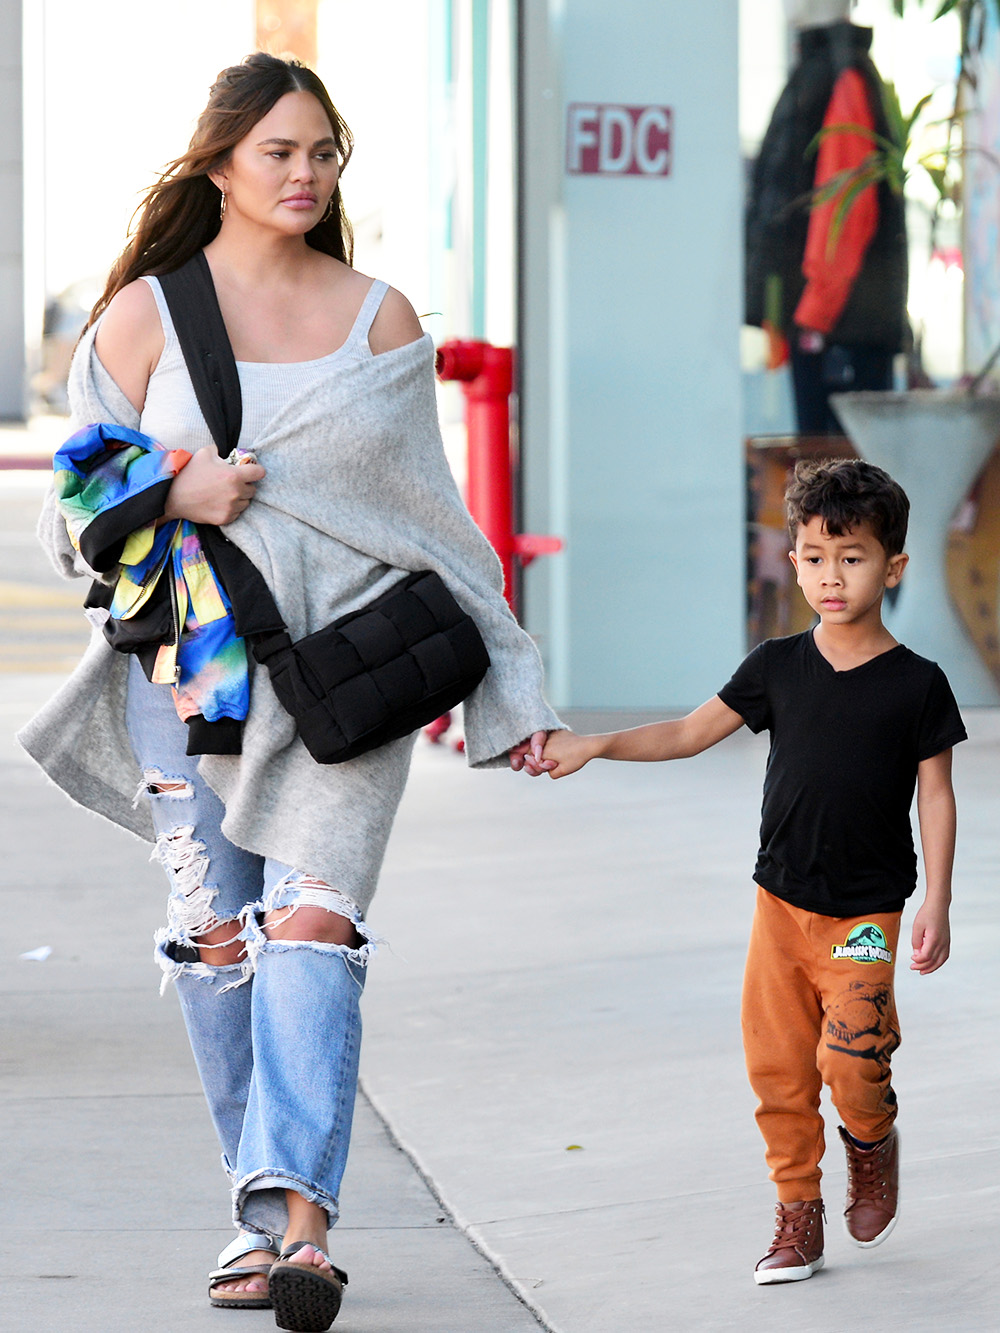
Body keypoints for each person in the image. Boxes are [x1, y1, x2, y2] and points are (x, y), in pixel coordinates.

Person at [19, 53, 559, 1332]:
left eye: (324, 153)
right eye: (280, 152)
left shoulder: (380, 317)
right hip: (188, 674)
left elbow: (436, 522)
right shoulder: (143, 319)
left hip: (347, 676)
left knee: (311, 930)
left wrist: (514, 690)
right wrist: (176, 491)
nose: (307, 174)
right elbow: (67, 515)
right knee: (220, 940)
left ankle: (303, 1225)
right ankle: (255, 1216)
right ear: (219, 166)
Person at [536, 459, 965, 1284]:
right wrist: (594, 743)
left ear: (894, 566)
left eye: (852, 556)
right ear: (793, 558)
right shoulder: (776, 666)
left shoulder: (919, 684)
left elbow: (937, 797)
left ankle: (871, 1141)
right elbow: (689, 733)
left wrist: (937, 901)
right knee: (777, 1070)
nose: (830, 576)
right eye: (812, 555)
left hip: (867, 917)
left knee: (851, 1055)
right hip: (780, 910)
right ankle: (798, 1213)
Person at [745, 0, 908, 432]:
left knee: (838, 482)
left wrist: (814, 312)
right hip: (827, 324)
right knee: (830, 479)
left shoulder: (841, 74)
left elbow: (848, 209)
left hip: (839, 329)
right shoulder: (824, 70)